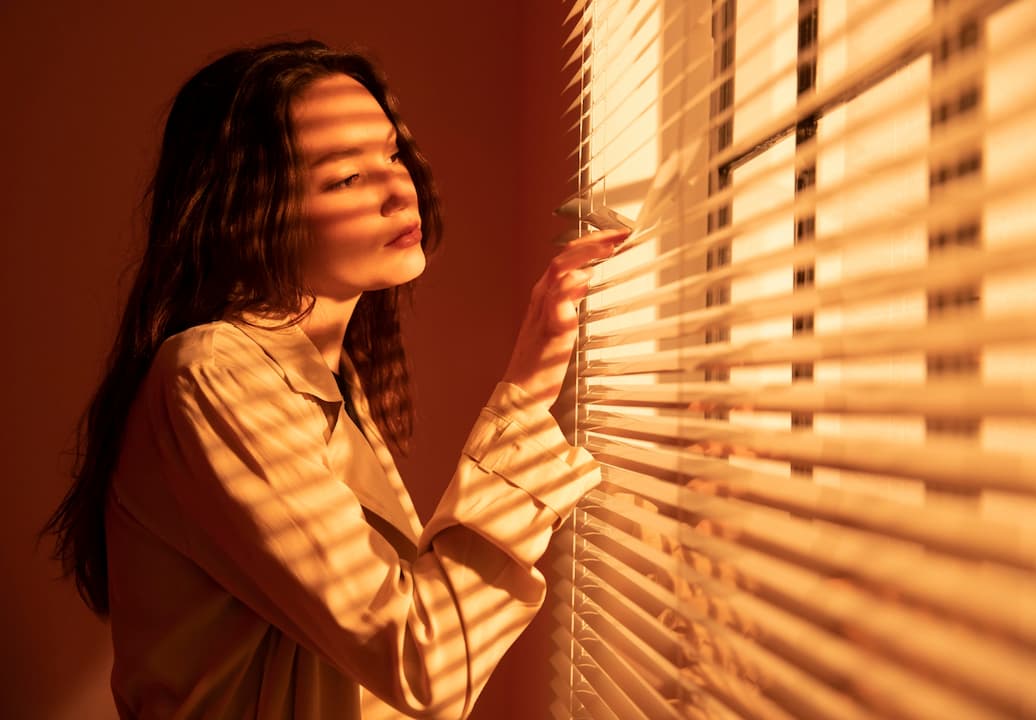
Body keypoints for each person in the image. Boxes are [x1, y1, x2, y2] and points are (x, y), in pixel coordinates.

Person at [42, 40, 627, 719]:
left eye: (391, 153)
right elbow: (425, 663)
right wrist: (527, 392)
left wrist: (537, 366)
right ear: (252, 211)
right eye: (345, 177)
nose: (396, 188)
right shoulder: (214, 375)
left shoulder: (320, 376)